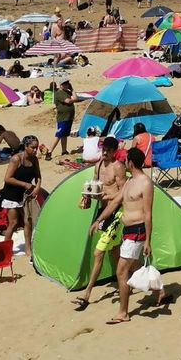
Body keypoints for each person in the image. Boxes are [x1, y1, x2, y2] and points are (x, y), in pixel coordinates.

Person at [90, 146, 164, 324]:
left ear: (131, 162)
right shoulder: (130, 182)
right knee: (134, 265)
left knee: (121, 271)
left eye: (126, 160)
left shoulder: (145, 183)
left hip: (138, 232)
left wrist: (148, 241)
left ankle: (123, 313)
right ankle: (159, 290)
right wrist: (98, 220)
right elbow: (115, 202)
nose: (124, 163)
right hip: (127, 231)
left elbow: (148, 213)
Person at [73, 136, 128, 310]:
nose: (104, 153)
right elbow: (95, 185)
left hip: (117, 211)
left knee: (98, 252)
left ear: (114, 152)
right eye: (103, 150)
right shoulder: (97, 166)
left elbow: (123, 192)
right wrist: (87, 196)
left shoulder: (118, 167)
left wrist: (107, 196)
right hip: (103, 210)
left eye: (108, 151)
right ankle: (130, 278)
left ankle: (87, 293)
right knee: (113, 250)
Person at [1, 135, 42, 258]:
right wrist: (25, 184)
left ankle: (28, 249)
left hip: (25, 196)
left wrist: (37, 187)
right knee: (13, 223)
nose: (35, 150)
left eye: (37, 148)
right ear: (26, 146)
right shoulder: (16, 159)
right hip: (12, 195)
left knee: (28, 222)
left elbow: (38, 176)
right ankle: (5, 250)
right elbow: (7, 178)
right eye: (32, 148)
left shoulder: (35, 160)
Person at [46, 80, 75, 160]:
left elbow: (75, 98)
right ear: (61, 85)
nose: (66, 85)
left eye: (67, 84)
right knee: (59, 134)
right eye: (64, 84)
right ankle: (49, 152)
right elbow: (68, 101)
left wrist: (72, 90)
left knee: (65, 135)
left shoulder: (68, 92)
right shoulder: (59, 93)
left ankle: (64, 150)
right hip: (62, 117)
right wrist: (72, 100)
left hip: (69, 117)